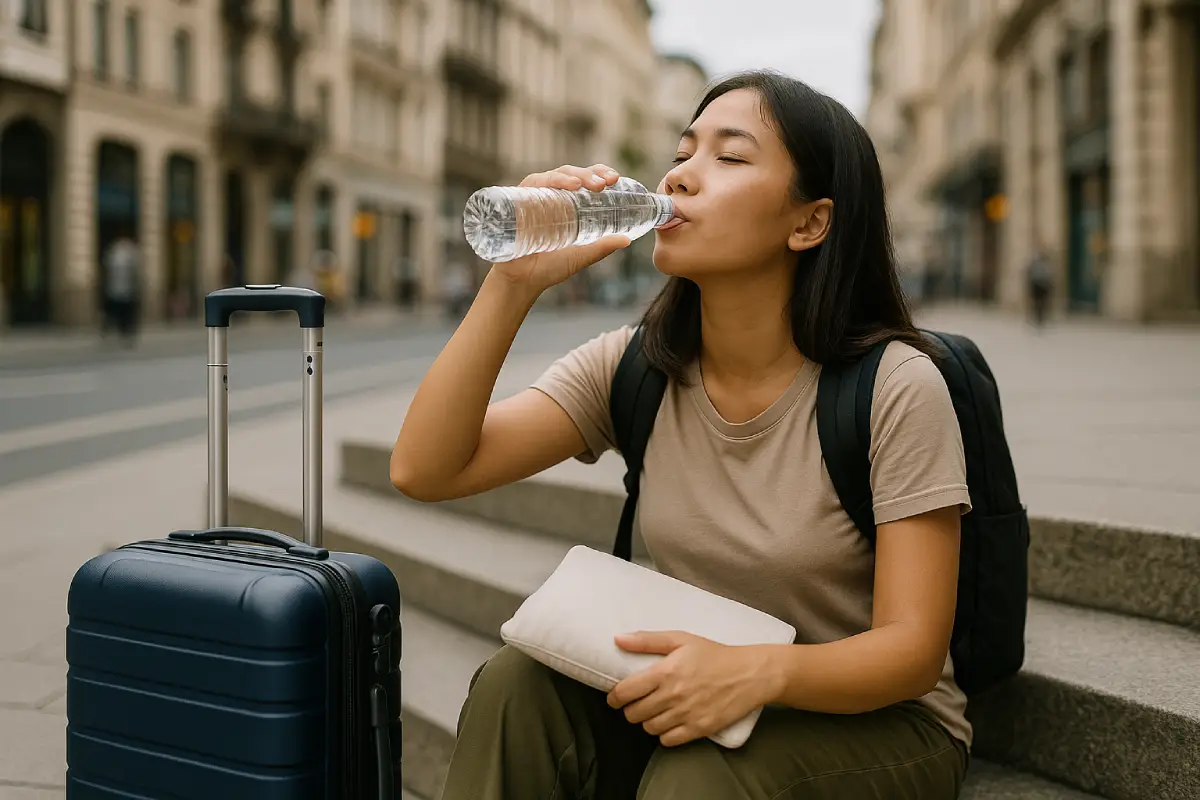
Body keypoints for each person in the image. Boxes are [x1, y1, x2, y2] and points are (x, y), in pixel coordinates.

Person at [390, 70, 972, 800]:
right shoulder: (635, 365)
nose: (681, 176)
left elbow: (913, 653)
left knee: (699, 778)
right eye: (683, 151)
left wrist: (754, 672)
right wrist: (513, 282)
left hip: (876, 718)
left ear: (809, 223)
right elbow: (426, 469)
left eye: (729, 158)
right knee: (516, 686)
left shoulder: (894, 386)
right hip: (692, 689)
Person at [1027, 243, 1053, 328]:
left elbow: (1049, 276)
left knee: (1042, 303)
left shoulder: (1046, 263)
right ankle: (1037, 318)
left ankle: (1041, 319)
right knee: (1037, 303)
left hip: (1042, 286)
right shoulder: (1037, 263)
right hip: (1037, 285)